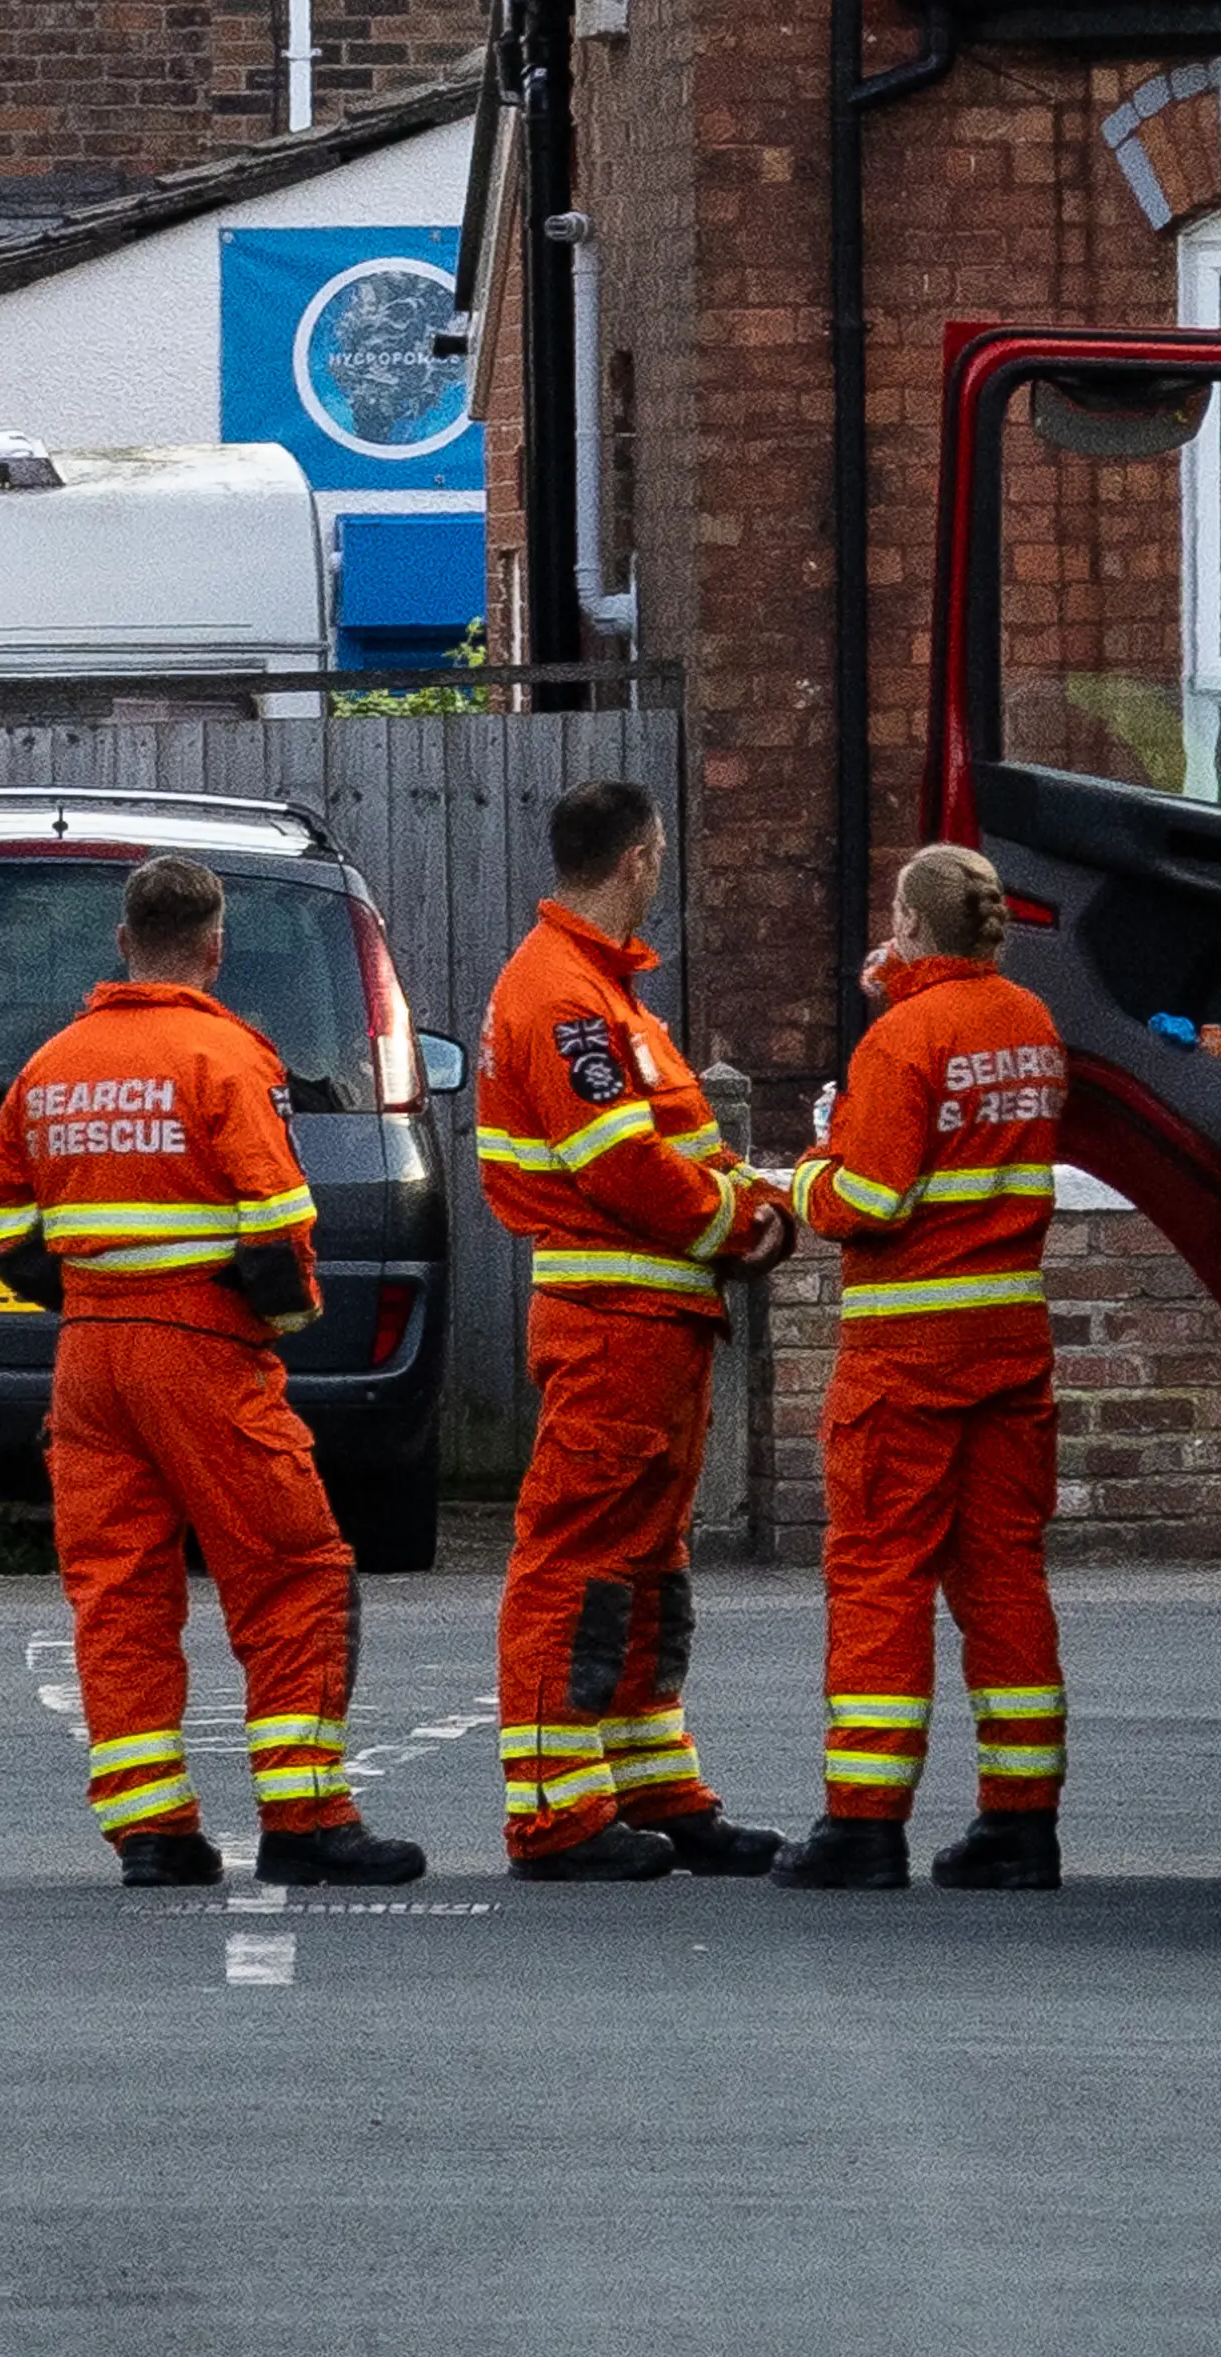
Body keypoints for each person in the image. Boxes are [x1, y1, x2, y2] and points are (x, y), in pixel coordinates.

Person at [0, 856, 423, 1889]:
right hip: (202, 1349)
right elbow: (277, 1225)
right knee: (293, 1570)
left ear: (123, 943)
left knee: (119, 1589)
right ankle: (306, 1818)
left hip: (90, 1358)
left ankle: (153, 1832)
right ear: (215, 948)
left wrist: (91, 1294)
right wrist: (285, 1315)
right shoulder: (226, 1057)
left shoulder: (53, 1064)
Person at [474, 781, 798, 1882]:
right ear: (641, 859)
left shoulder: (600, 993)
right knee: (578, 1561)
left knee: (648, 1566)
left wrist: (743, 1203)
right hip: (615, 1318)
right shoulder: (567, 997)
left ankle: (652, 1785)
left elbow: (664, 1148)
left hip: (653, 1319)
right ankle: (555, 1811)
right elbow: (620, 1164)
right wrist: (738, 1223)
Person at [776, 842, 1071, 1893]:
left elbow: (871, 1199)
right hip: (1008, 1351)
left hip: (906, 1360)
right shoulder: (1030, 1026)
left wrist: (810, 1168)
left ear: (907, 922)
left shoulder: (902, 1040)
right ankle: (1020, 1822)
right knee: (1003, 1578)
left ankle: (864, 1825)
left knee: (880, 1579)